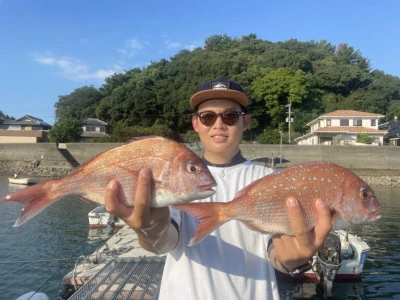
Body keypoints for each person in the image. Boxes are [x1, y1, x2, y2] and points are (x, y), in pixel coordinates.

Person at [104, 76, 333, 299]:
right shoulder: (176, 176)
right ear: (196, 123)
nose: (219, 124)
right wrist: (148, 229)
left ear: (245, 122)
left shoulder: (273, 180)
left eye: (230, 116)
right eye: (207, 117)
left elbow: (279, 252)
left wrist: (293, 259)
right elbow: (164, 242)